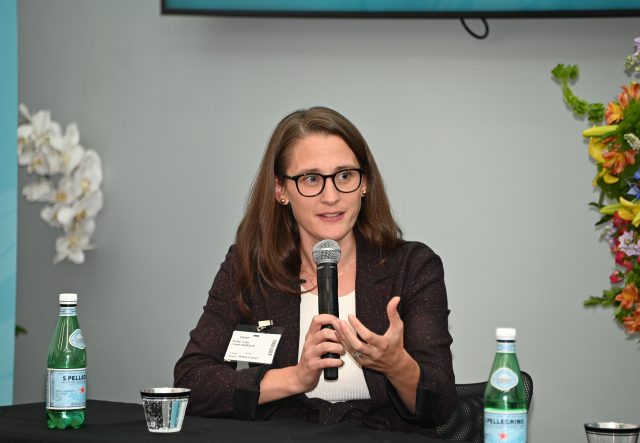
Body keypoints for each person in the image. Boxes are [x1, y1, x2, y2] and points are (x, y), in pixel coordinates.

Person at [174, 106, 456, 436]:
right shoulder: (251, 267)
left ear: (364, 183)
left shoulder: (411, 267)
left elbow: (442, 407)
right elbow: (191, 383)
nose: (332, 196)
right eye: (311, 179)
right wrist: (295, 377)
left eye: (345, 176)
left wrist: (396, 365)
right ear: (281, 190)